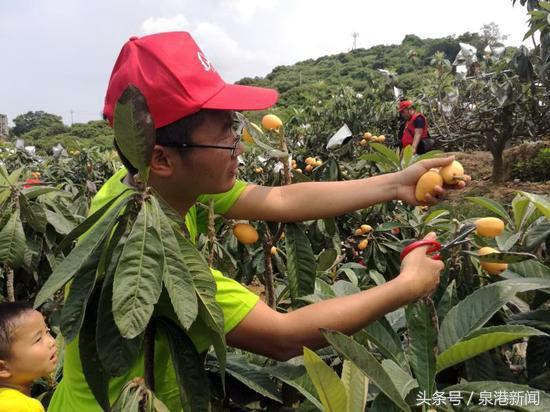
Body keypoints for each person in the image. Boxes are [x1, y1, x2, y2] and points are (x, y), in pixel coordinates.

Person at [48, 32, 469, 411]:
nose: (238, 142)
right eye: (225, 132)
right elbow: (283, 336)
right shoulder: (144, 251)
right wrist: (407, 286)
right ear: (162, 157)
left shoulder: (150, 185)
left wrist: (397, 183)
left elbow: (281, 198)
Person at [0, 302, 57, 412]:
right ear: (3, 369)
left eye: (47, 331)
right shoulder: (22, 407)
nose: (52, 342)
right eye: (38, 339)